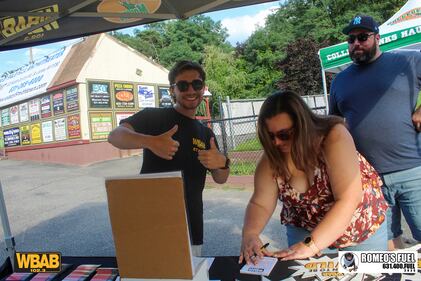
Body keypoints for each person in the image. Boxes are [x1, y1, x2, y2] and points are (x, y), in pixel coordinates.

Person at [239, 91, 388, 264]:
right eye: (270, 136)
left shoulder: (334, 136)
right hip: (306, 226)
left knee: (365, 274)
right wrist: (250, 234)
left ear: (303, 126)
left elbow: (348, 199)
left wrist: (311, 245)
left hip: (359, 226)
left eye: (284, 135)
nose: (276, 143)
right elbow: (260, 202)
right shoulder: (272, 157)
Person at [108, 60, 230, 256]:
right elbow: (115, 136)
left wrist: (223, 163)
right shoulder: (154, 117)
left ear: (203, 88)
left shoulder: (206, 133)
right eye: (183, 85)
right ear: (172, 90)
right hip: (151, 224)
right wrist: (151, 142)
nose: (191, 90)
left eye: (196, 84)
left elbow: (221, 178)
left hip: (192, 226)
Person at [330, 15, 421, 250]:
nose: (356, 43)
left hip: (412, 170)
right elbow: (335, 122)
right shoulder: (339, 81)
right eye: (351, 39)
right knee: (385, 241)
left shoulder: (408, 61)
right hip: (369, 178)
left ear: (378, 38)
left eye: (363, 37)